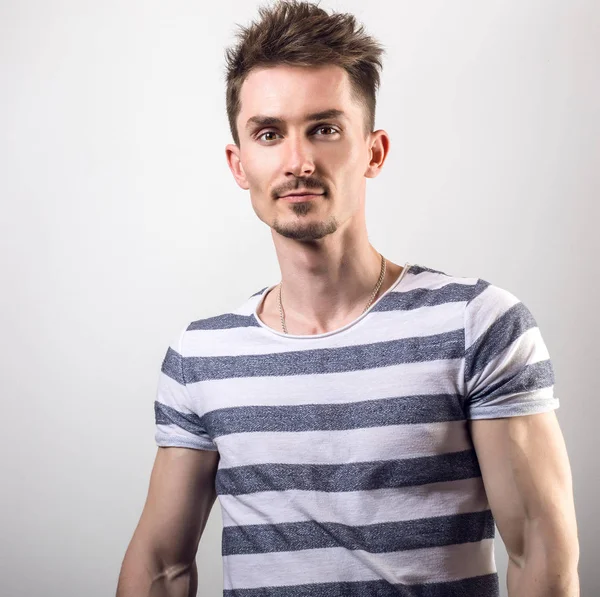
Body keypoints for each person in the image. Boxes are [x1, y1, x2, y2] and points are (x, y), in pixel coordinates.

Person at [116, 1, 579, 595]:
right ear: (239, 163)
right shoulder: (200, 353)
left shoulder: (478, 324)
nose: (299, 161)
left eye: (325, 129)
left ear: (373, 151)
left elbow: (540, 550)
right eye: (269, 133)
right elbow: (160, 565)